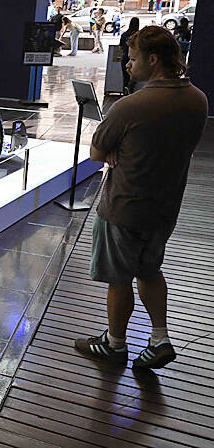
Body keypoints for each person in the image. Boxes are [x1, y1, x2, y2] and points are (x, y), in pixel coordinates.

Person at [74, 26, 207, 370]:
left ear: (153, 60)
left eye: (132, 59)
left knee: (119, 279)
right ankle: (160, 338)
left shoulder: (130, 107)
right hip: (164, 208)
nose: (128, 65)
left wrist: (116, 151)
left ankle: (114, 344)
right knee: (150, 271)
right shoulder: (197, 100)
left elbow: (96, 153)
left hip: (124, 208)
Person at [119, 16, 140, 93]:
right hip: (136, 59)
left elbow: (121, 46)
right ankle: (132, 92)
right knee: (134, 78)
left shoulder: (124, 34)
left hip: (125, 58)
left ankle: (125, 91)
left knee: (125, 77)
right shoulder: (139, 35)